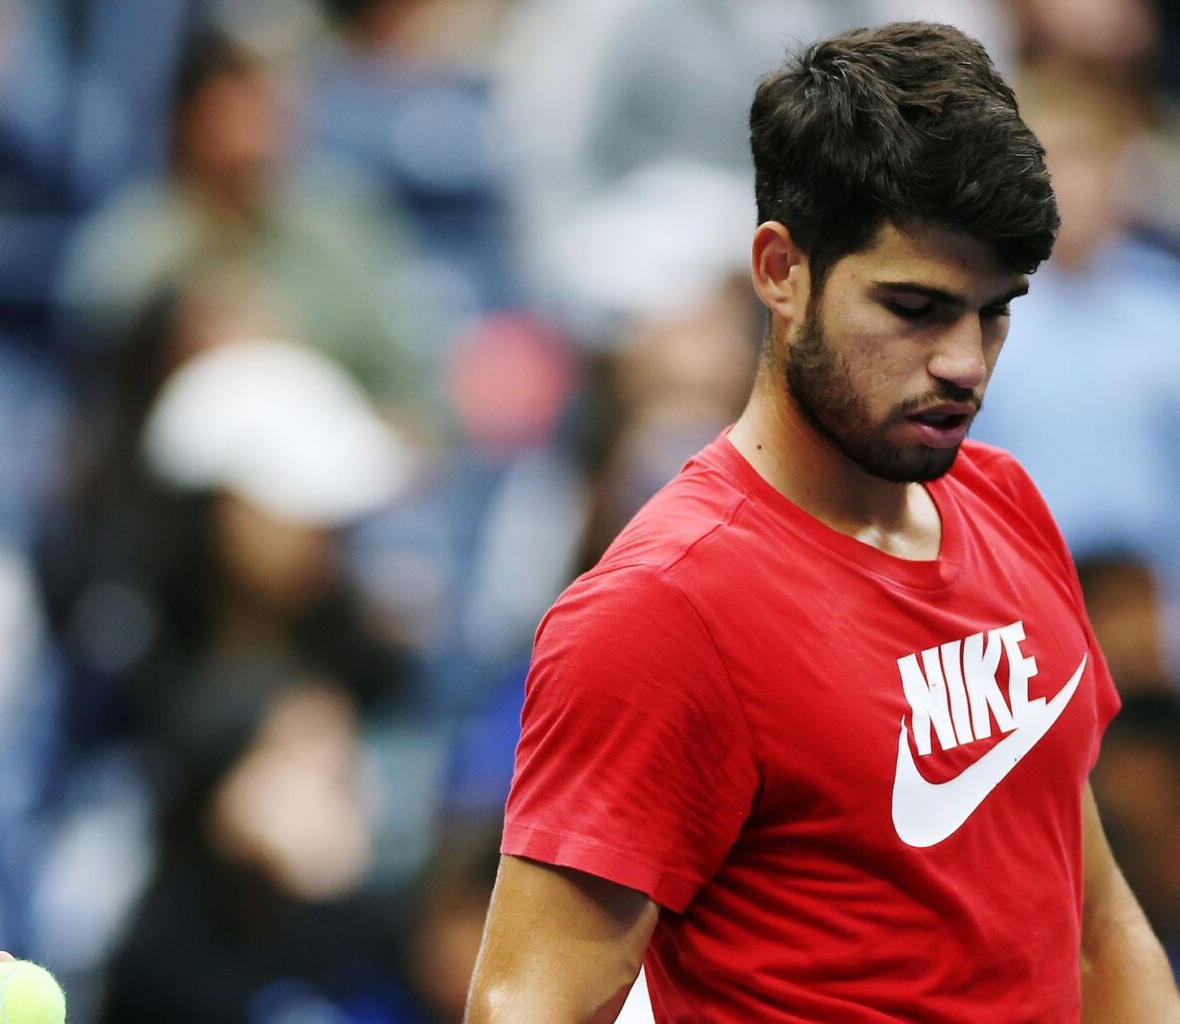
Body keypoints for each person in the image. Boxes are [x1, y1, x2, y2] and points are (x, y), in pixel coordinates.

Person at [465, 22, 1180, 1023]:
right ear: (780, 270)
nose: (966, 362)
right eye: (916, 308)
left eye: (995, 312)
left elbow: (1098, 924)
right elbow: (524, 1007)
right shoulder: (662, 610)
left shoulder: (1007, 502)